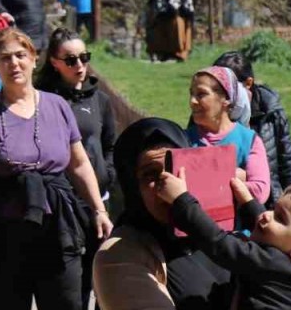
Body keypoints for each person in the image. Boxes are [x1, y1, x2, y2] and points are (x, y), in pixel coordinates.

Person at [0, 28, 112, 310]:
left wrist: (98, 209)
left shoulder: (57, 106)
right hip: (5, 228)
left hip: (58, 225)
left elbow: (78, 163)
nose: (14, 64)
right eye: (5, 58)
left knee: (66, 302)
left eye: (20, 56)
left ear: (34, 58)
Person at [93, 118, 233, 310]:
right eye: (151, 174)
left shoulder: (211, 232)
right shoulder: (119, 255)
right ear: (132, 186)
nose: (169, 185)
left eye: (174, 168)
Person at [154, 171, 291, 310]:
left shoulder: (273, 262)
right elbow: (266, 225)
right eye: (274, 209)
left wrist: (181, 200)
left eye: (280, 218)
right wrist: (247, 202)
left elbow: (219, 243)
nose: (267, 215)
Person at [38, 28, 117, 310]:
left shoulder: (100, 100)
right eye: (71, 60)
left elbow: (110, 145)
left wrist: (106, 175)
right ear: (54, 62)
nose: (80, 66)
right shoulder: (43, 99)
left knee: (101, 278)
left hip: (98, 202)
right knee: (70, 283)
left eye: (84, 57)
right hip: (62, 204)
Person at [214, 51, 291, 207]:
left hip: (270, 204)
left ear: (248, 83)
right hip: (227, 203)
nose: (219, 95)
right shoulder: (208, 115)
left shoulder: (272, 113)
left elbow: (288, 164)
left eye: (225, 87)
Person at [186, 66, 271, 204]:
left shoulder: (248, 140)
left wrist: (200, 181)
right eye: (191, 94)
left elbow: (259, 192)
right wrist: (234, 176)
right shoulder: (183, 139)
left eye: (201, 94)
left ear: (226, 98)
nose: (192, 101)